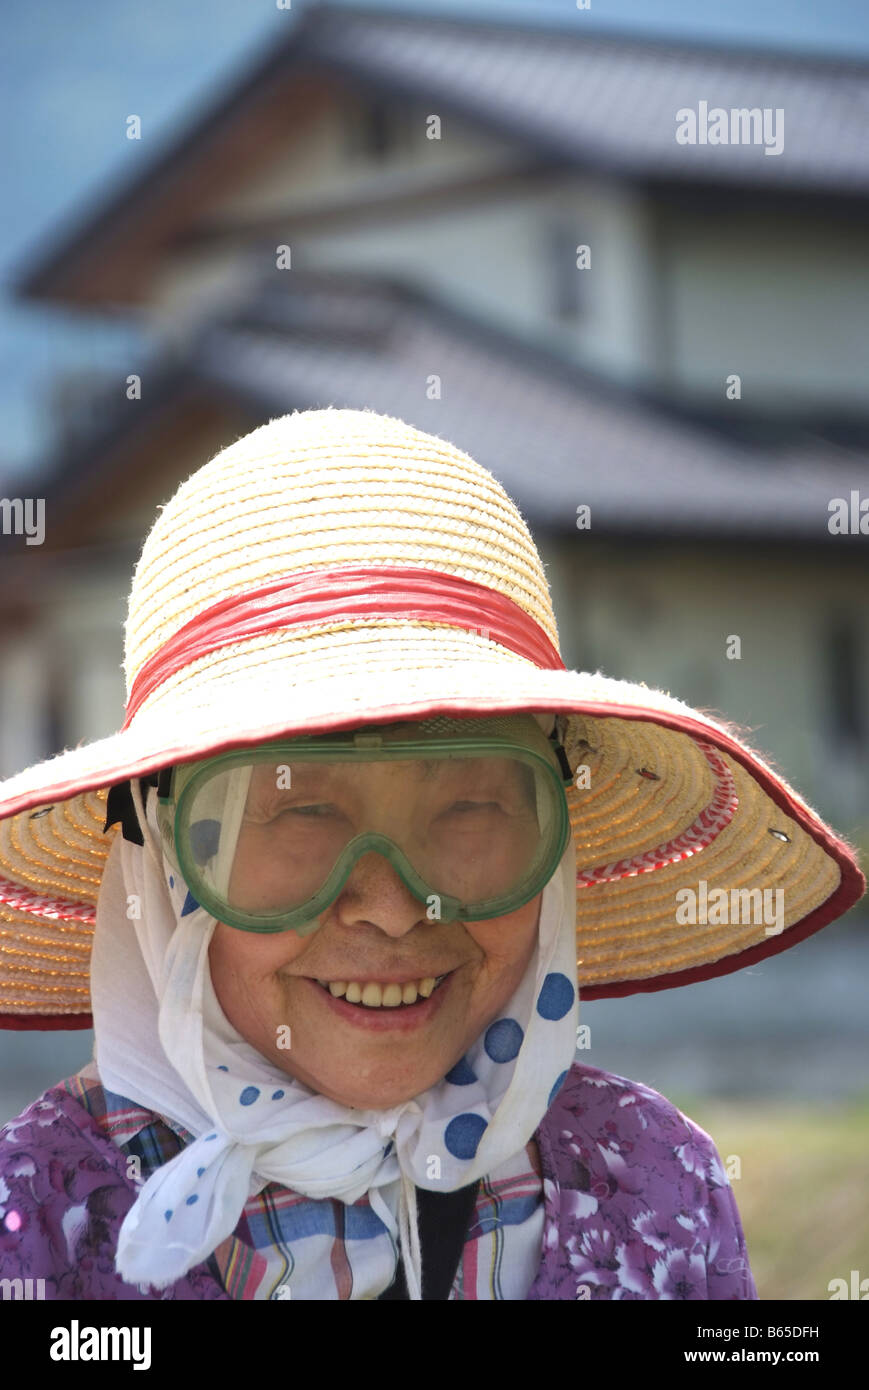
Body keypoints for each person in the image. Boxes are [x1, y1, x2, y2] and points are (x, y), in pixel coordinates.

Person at [0, 406, 863, 1301]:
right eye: (297, 815)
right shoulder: (38, 1226)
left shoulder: (647, 1180)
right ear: (165, 857)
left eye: (467, 808)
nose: (393, 905)